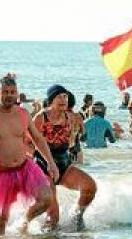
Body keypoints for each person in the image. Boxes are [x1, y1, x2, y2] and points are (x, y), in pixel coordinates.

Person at [0, 74, 56, 235]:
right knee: (1, 220)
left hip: (25, 168)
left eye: (12, 92)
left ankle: (24, 222)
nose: (9, 95)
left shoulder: (23, 114)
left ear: (16, 93)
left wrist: (51, 162)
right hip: (1, 174)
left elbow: (38, 140)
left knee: (46, 199)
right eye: (5, 92)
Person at [33, 85, 97, 230]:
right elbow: (27, 143)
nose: (64, 100)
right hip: (42, 165)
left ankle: (77, 217)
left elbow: (79, 137)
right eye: (59, 97)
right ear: (51, 100)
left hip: (63, 163)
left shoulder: (71, 117)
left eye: (66, 97)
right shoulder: (41, 118)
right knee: (54, 215)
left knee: (90, 187)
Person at [67, 92, 85, 164]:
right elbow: (83, 132)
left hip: (63, 150)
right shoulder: (78, 116)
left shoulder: (59, 117)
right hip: (77, 150)